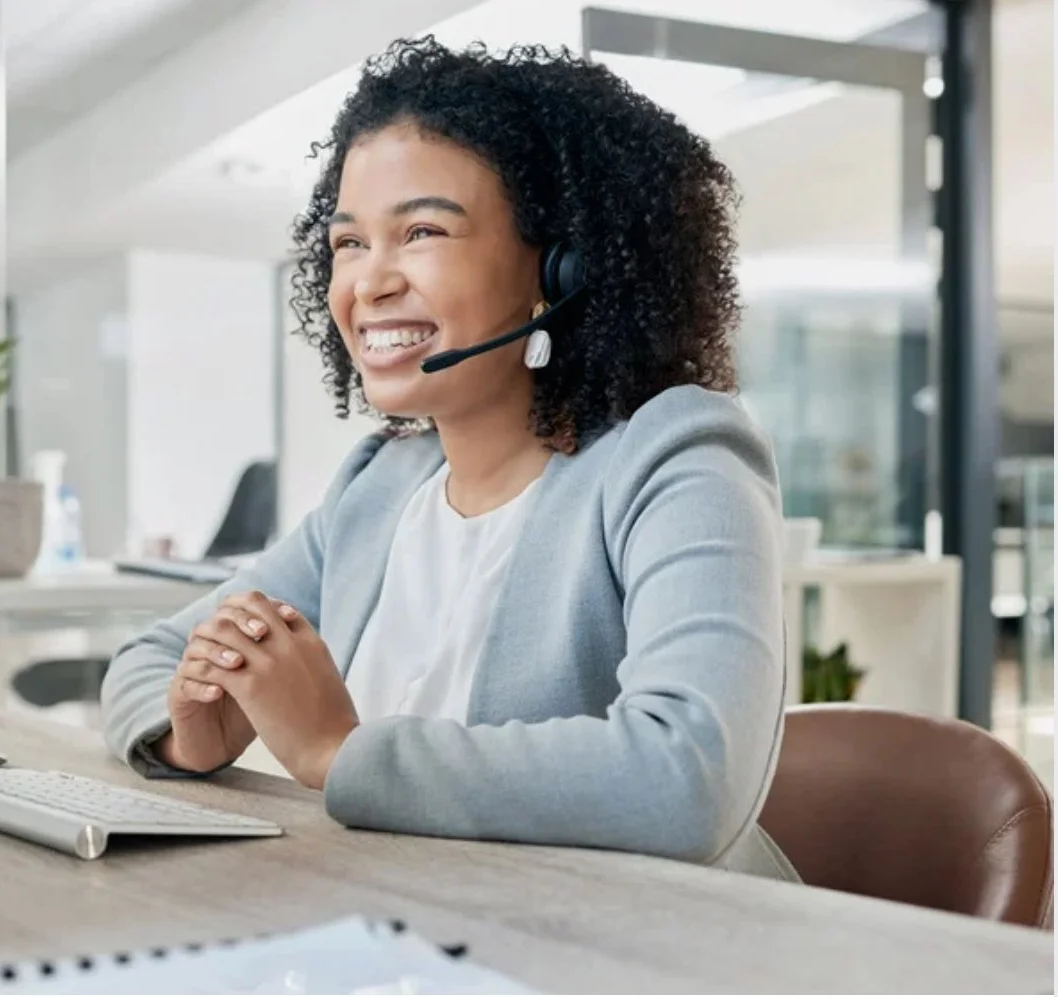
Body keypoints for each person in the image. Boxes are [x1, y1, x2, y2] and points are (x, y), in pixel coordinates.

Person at [103, 37, 796, 880]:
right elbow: (149, 659)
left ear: (560, 267)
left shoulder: (678, 457)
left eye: (422, 231)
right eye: (349, 243)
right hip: (421, 928)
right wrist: (189, 728)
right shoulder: (379, 486)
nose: (369, 283)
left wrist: (337, 750)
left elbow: (687, 776)